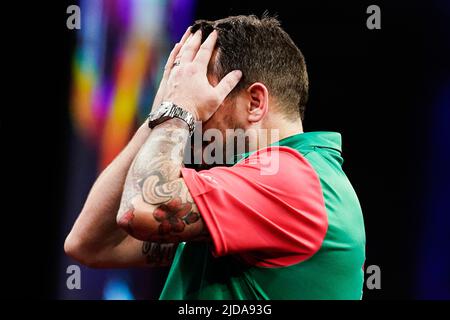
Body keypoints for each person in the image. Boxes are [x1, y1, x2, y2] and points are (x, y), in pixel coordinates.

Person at [65, 15, 366, 299]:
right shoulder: (252, 195)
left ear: (255, 103)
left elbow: (141, 209)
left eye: (200, 94)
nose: (194, 118)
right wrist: (157, 117)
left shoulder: (290, 180)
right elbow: (90, 244)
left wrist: (176, 111)